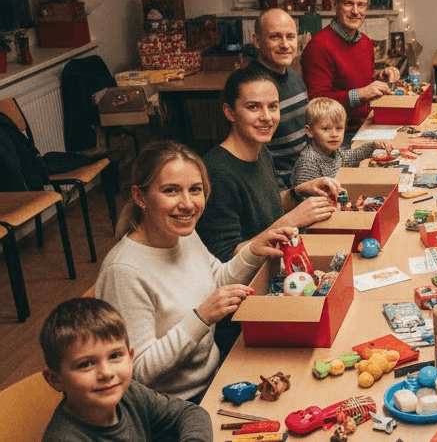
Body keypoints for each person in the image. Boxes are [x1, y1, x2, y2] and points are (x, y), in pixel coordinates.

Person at [95, 140, 296, 402]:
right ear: (140, 197)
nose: (188, 204)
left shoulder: (182, 234)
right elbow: (139, 373)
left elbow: (216, 281)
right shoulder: (123, 271)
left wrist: (254, 249)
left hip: (215, 378)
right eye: (171, 191)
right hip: (175, 406)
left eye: (195, 190)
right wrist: (201, 318)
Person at [197, 66, 339, 264]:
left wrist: (297, 193)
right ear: (230, 112)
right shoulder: (216, 172)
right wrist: (292, 220)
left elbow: (263, 212)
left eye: (273, 106)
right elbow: (226, 257)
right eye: (253, 107)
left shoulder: (261, 151)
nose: (267, 117)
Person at [40, 297, 212, 441]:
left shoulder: (129, 393)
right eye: (86, 364)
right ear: (55, 379)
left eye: (115, 356)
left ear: (130, 358)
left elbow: (190, 413)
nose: (107, 373)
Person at [301, 0, 400, 138]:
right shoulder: (318, 46)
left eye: (361, 5)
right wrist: (361, 94)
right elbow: (316, 101)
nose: (355, 11)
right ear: (335, 5)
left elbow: (351, 79)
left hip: (366, 124)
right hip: (338, 136)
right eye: (348, 4)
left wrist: (380, 76)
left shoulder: (366, 42)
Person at [250, 8, 309, 189]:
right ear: (257, 41)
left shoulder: (293, 76)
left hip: (306, 175)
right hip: (283, 188)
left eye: (290, 37)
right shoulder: (251, 87)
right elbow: (252, 160)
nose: (285, 45)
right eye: (275, 37)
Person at [291, 97, 394, 191]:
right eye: (326, 129)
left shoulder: (333, 151)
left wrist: (374, 145)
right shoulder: (308, 163)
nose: (334, 134)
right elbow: (304, 200)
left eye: (339, 128)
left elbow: (352, 157)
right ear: (310, 132)